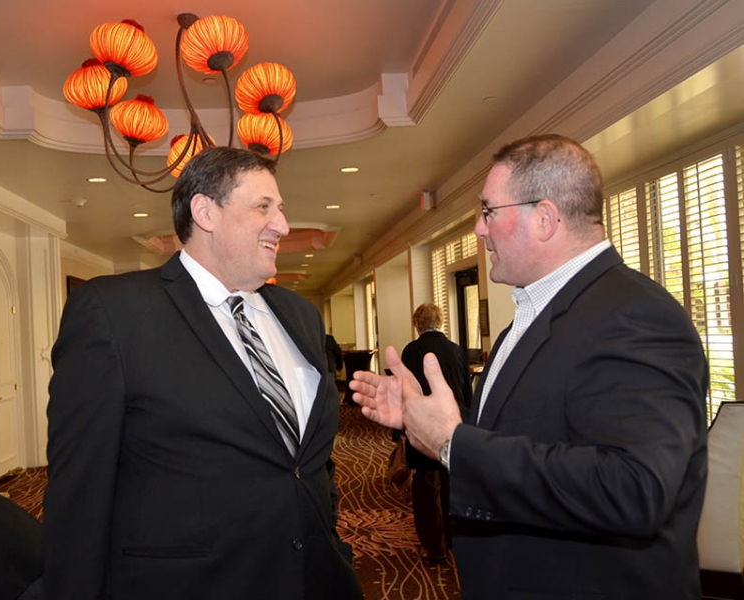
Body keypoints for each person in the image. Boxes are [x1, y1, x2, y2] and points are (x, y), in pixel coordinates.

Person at [350, 134, 708, 599]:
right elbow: (522, 434)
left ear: (544, 218)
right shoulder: (531, 318)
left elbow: (634, 489)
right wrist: (425, 420)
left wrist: (452, 443)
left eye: (488, 211)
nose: (479, 229)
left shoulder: (634, 315)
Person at [44, 147, 363, 600]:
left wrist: (329, 535)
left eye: (281, 209)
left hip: (313, 576)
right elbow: (79, 494)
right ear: (205, 212)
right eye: (263, 207)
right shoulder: (113, 312)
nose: (282, 225)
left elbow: (309, 458)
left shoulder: (301, 315)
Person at [401, 303, 472, 563]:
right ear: (440, 322)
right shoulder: (455, 350)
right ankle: (455, 538)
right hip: (455, 423)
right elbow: (466, 391)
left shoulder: (412, 351)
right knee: (452, 482)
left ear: (417, 323)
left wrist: (401, 429)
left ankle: (435, 546)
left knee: (427, 484)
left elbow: (405, 392)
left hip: (424, 424)